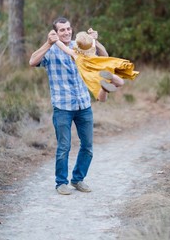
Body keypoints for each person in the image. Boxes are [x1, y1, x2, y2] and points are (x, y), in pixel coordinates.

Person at [29, 18, 110, 195]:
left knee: (88, 146)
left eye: (68, 29)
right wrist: (48, 43)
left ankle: (78, 179)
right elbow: (32, 62)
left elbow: (104, 57)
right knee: (64, 146)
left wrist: (96, 40)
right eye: (62, 30)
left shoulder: (80, 46)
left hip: (83, 105)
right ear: (56, 33)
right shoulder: (50, 50)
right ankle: (61, 183)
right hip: (62, 107)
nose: (66, 32)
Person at [53, 30, 139, 102]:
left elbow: (63, 47)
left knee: (101, 98)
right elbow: (93, 40)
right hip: (99, 68)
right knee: (121, 82)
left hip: (90, 75)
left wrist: (55, 39)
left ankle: (104, 88)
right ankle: (111, 77)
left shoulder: (76, 54)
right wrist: (91, 35)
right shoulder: (92, 49)